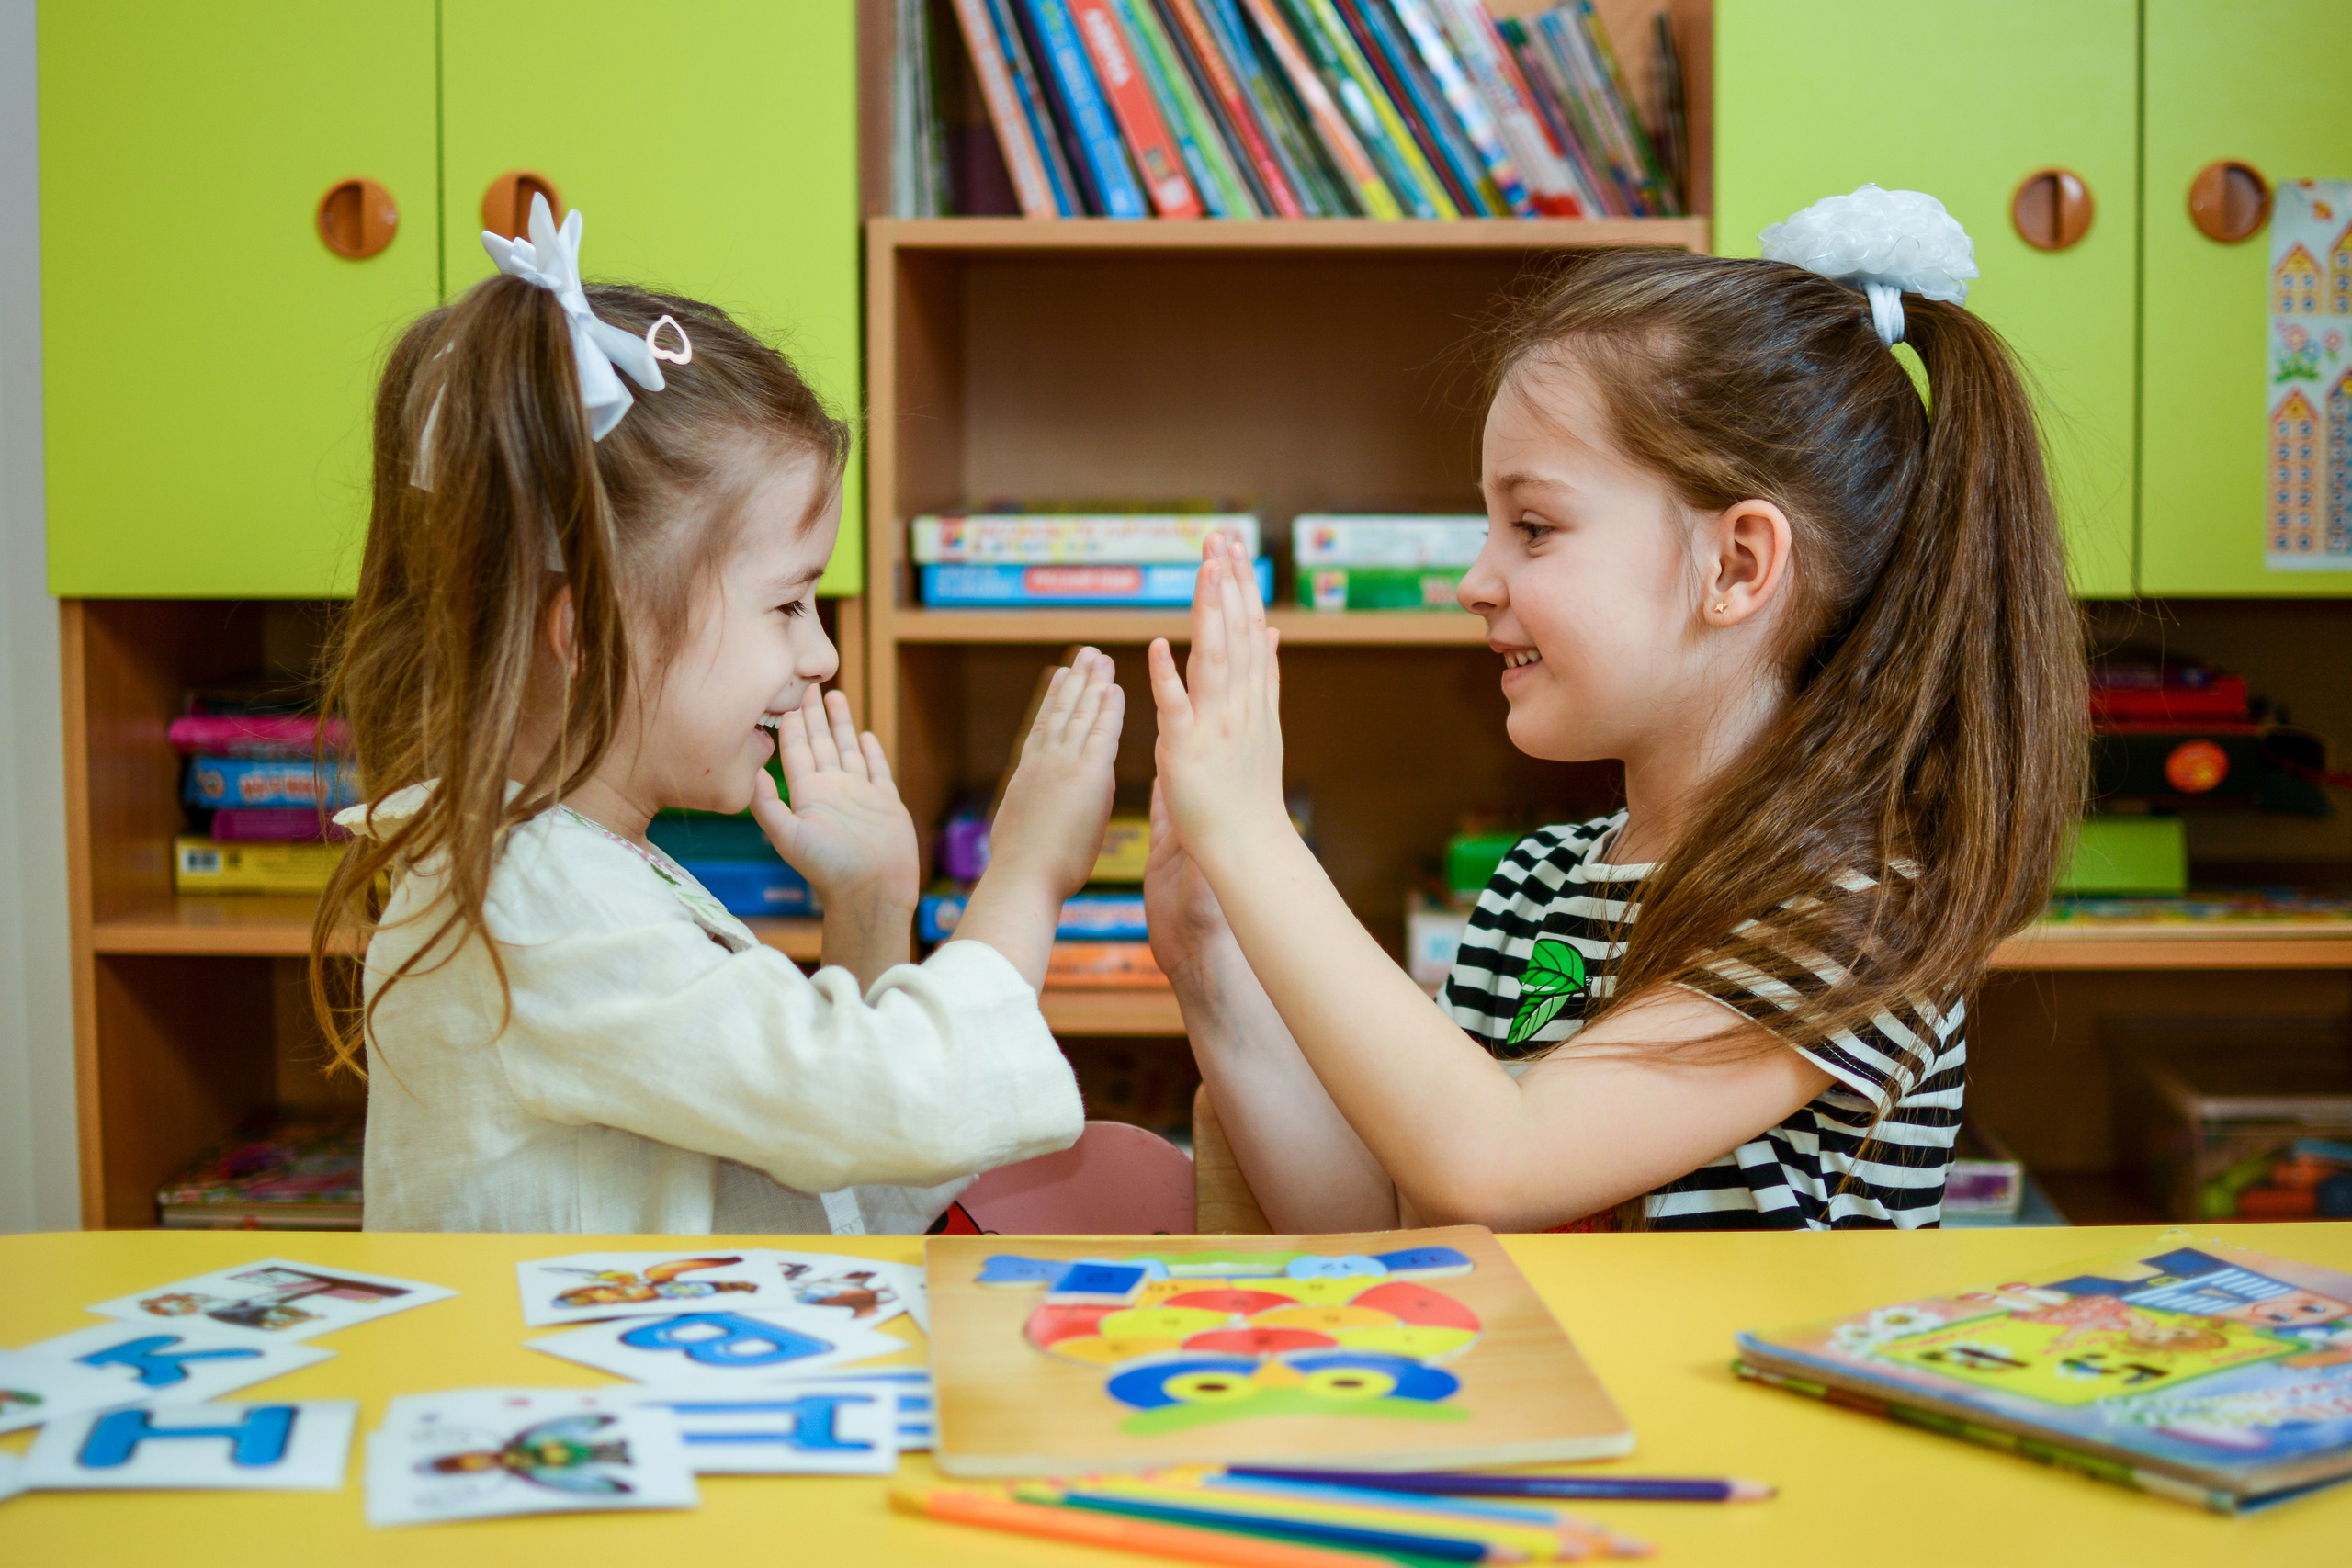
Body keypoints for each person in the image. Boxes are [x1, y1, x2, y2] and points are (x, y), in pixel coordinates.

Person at [1146, 186, 2086, 1232]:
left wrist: (1254, 836)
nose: (1475, 580)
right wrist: (1211, 963)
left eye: (1534, 527)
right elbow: (1395, 1225)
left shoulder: (1857, 915)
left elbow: (1497, 1162)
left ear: (1736, 564)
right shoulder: (1536, 886)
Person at [309, 197, 1124, 1234]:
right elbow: (881, 1105)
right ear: (595, 636)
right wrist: (1027, 877)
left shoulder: (581, 867)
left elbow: (834, 1174)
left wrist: (870, 912)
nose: (821, 654)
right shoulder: (533, 903)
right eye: (786, 603)